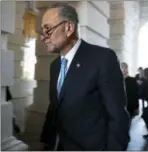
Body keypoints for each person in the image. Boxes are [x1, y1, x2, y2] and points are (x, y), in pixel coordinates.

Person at [40, 3, 130, 151]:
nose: (43, 37)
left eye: (48, 28)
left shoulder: (102, 59)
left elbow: (118, 116)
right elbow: (55, 106)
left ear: (69, 28)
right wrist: (46, 140)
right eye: (42, 30)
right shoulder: (54, 66)